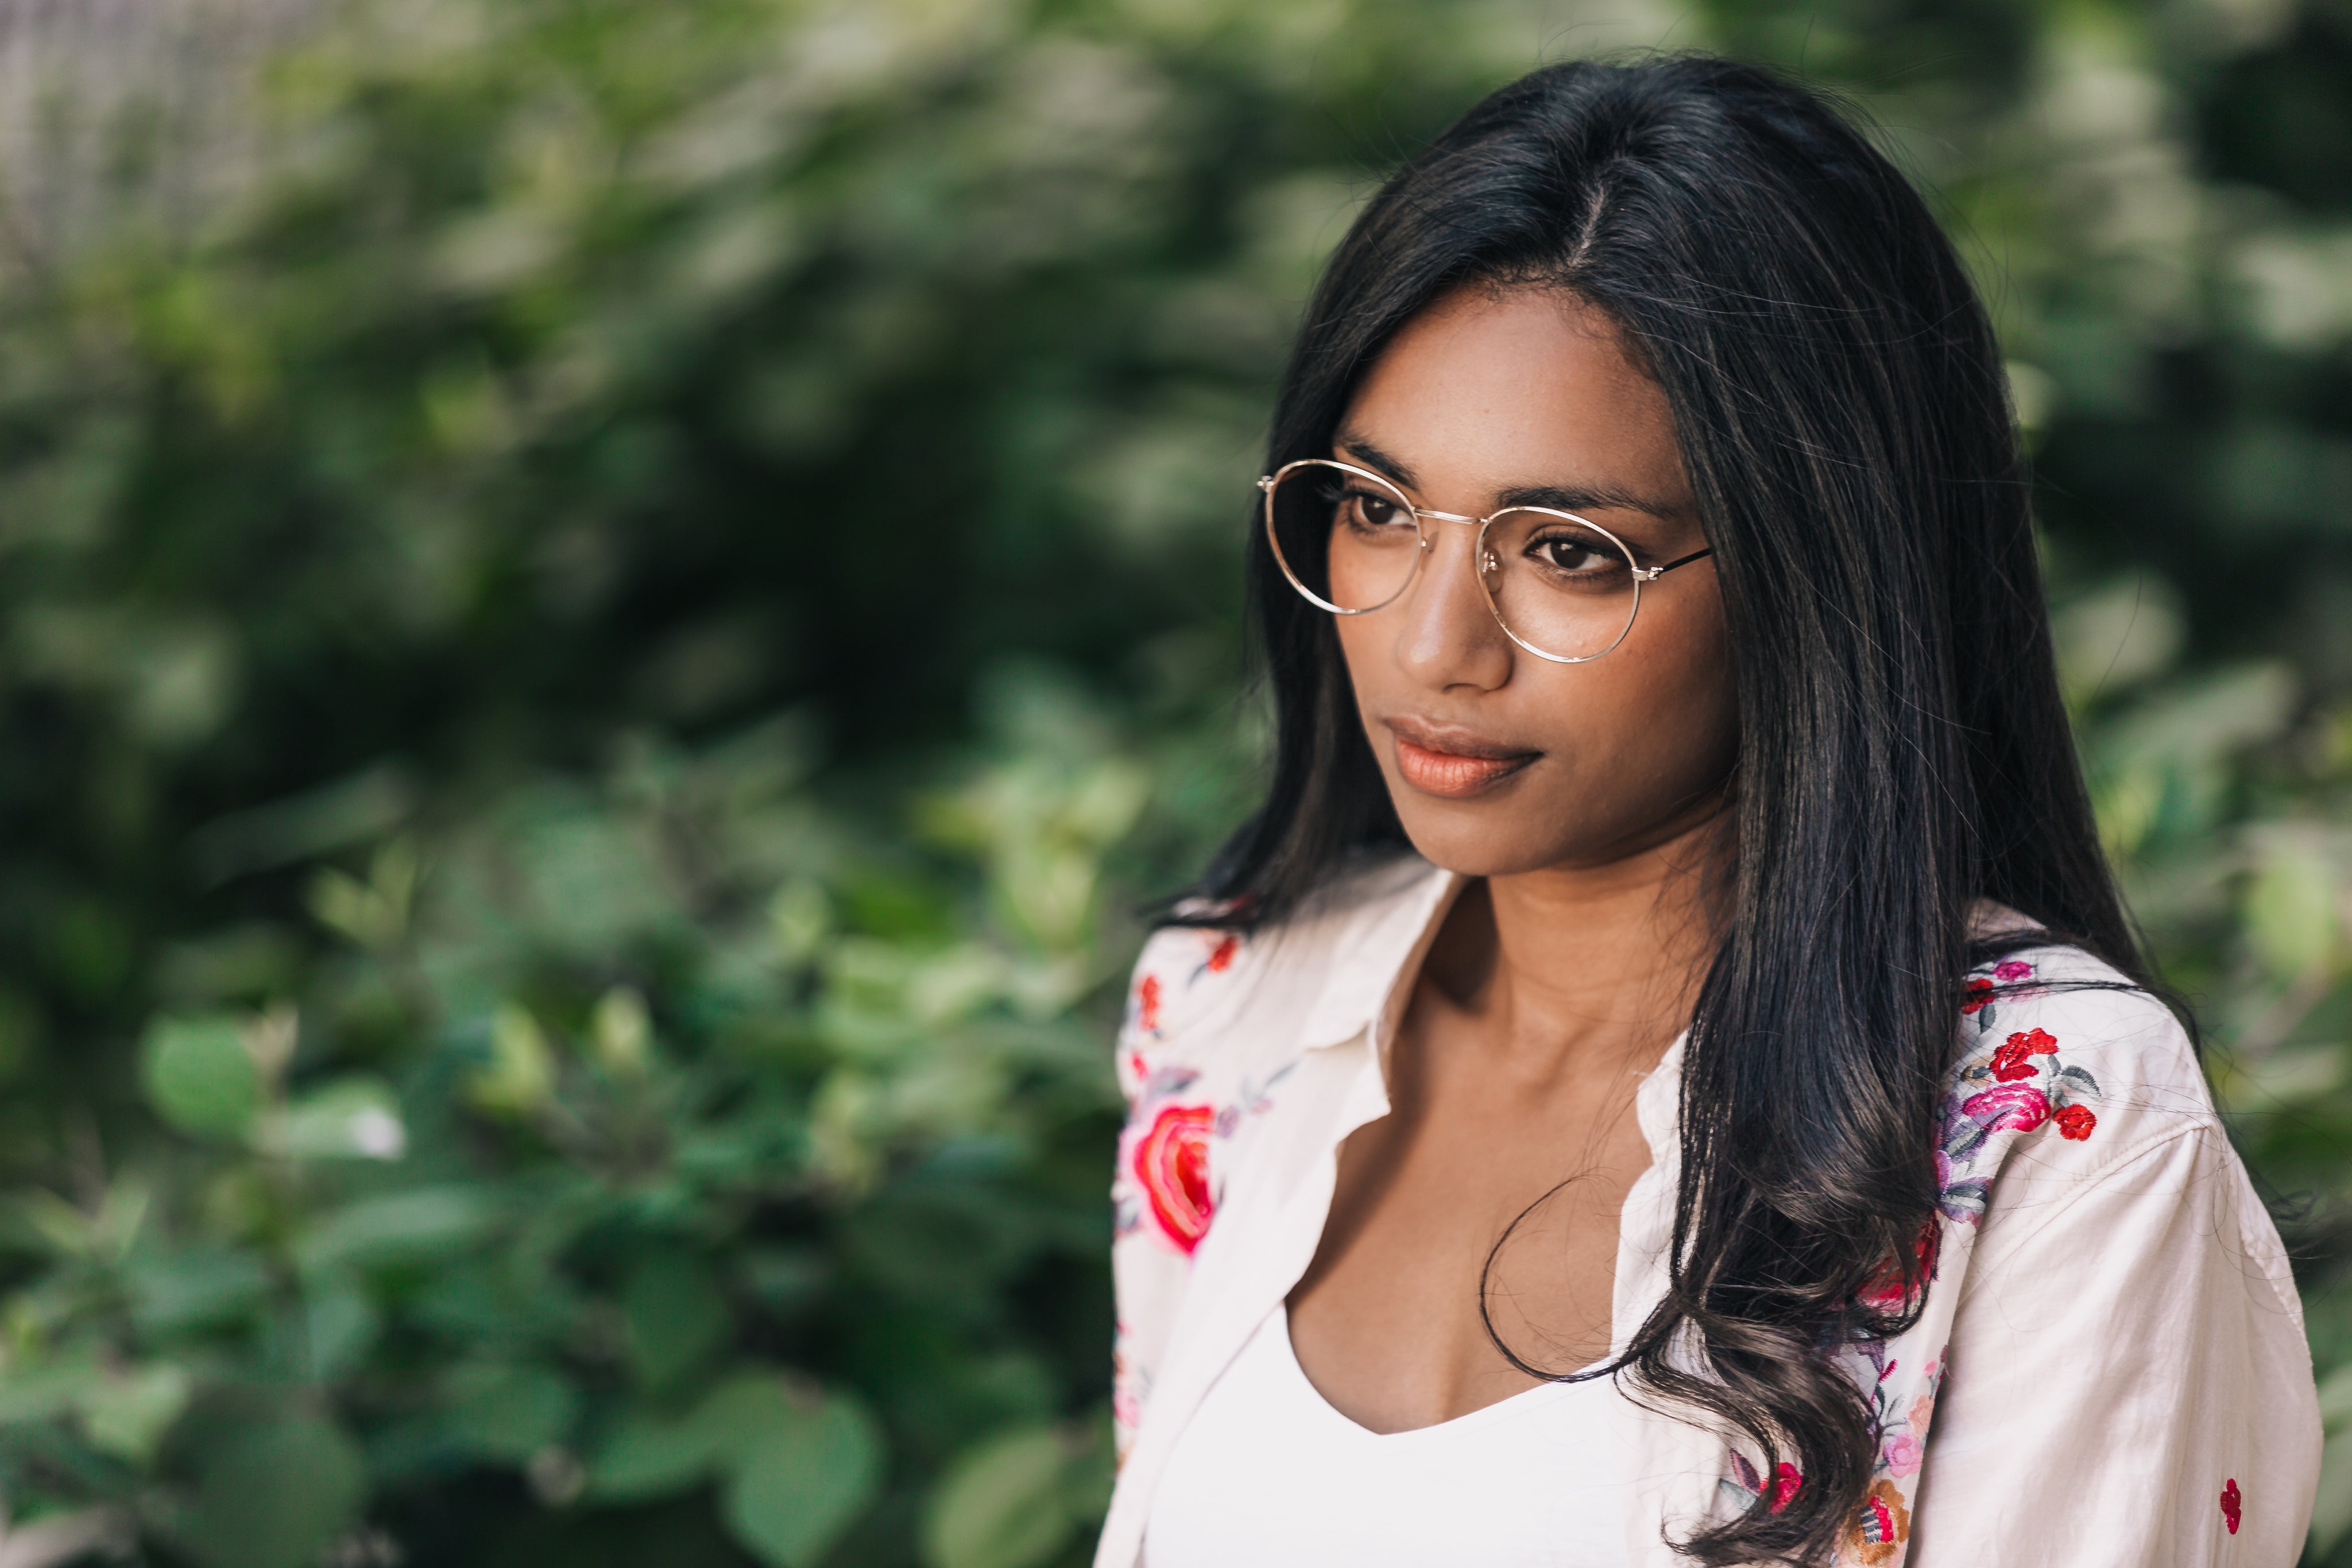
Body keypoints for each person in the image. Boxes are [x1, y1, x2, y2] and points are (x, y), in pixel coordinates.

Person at [1094, 55, 2319, 1568]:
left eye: (1571, 552)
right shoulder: (1234, 1002)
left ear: (1817, 579)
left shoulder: (2056, 1130)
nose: (1429, 649)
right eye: (1375, 508)